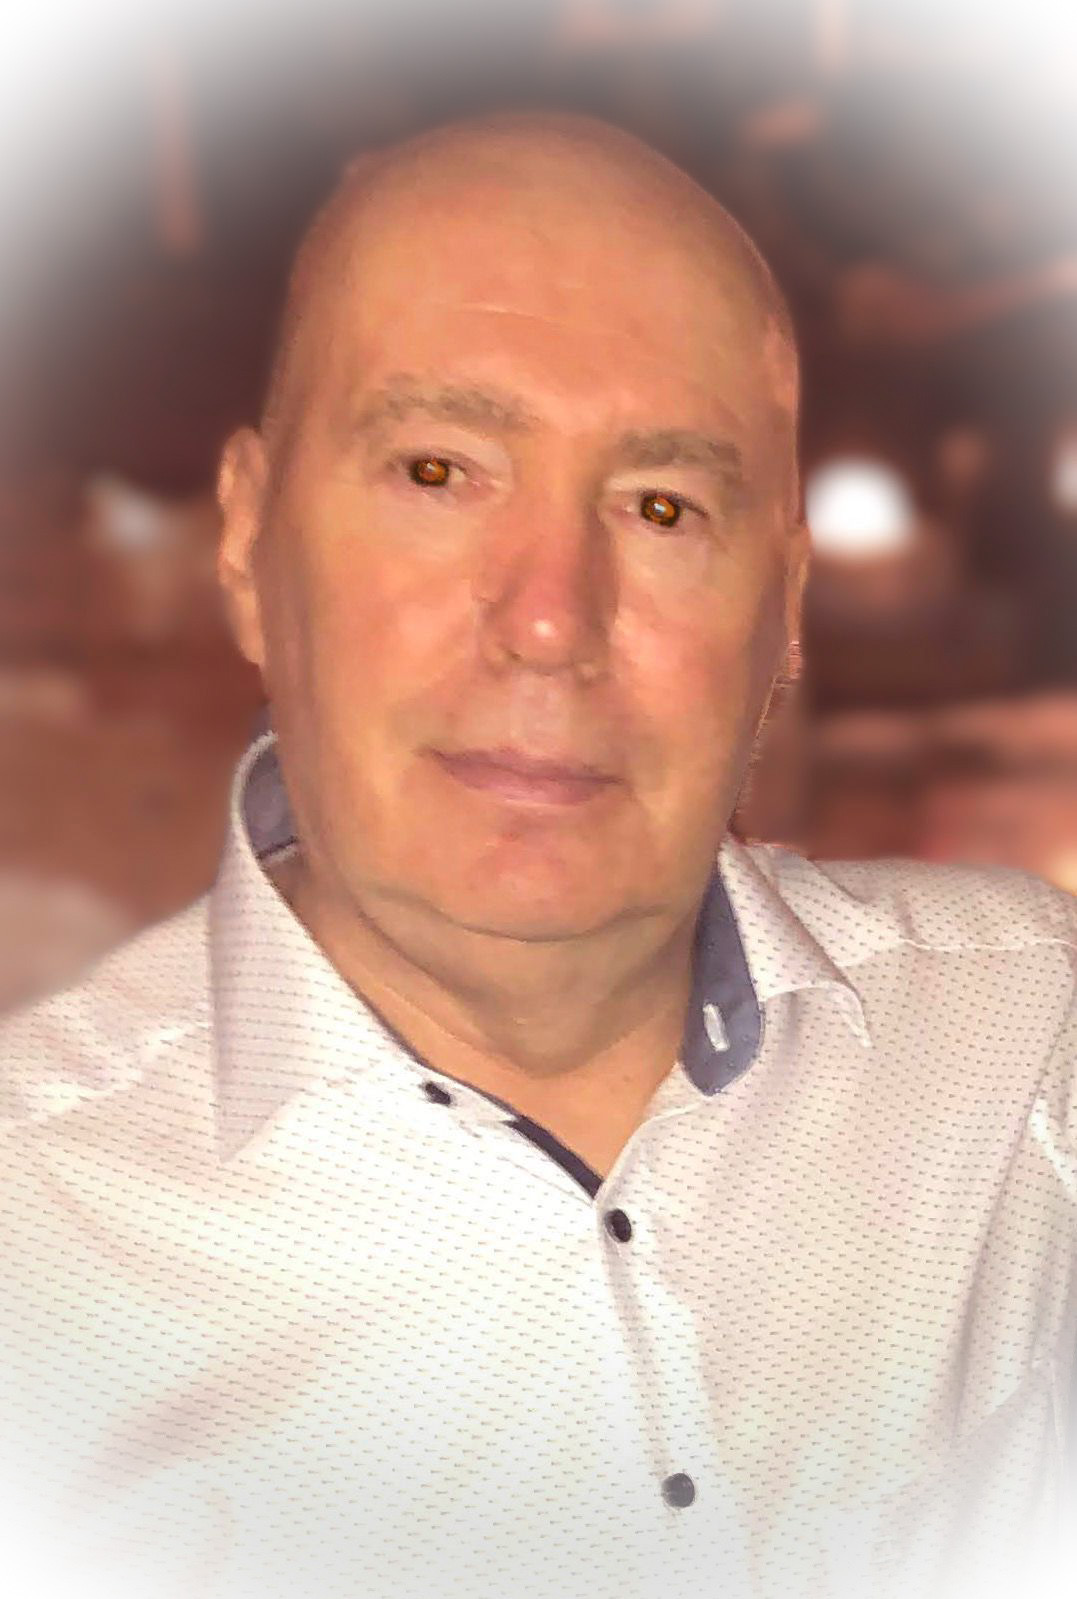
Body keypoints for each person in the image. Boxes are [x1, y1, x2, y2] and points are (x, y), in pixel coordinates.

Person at [1, 113, 1074, 1599]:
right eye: (439, 470)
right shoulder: (31, 1237)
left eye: (661, 506)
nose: (553, 619)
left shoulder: (1028, 1044)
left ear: (783, 609)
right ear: (247, 544)